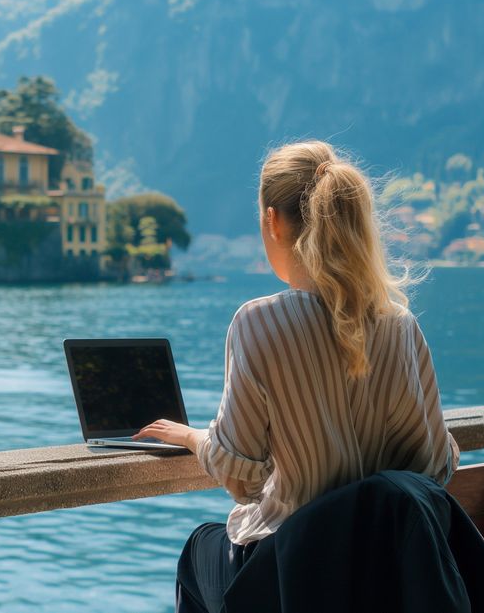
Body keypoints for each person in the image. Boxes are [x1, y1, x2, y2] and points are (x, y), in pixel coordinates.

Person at [133, 140, 460, 612]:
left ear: (272, 220)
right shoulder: (400, 325)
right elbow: (434, 469)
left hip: (293, 580)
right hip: (384, 582)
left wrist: (190, 437)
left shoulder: (258, 323)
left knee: (198, 550)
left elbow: (241, 478)